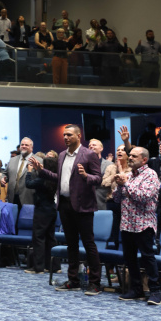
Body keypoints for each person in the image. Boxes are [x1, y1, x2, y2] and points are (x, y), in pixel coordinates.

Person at [30, 124, 102, 294]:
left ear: (78, 136)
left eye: (69, 134)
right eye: (64, 135)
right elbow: (59, 178)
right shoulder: (62, 155)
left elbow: (98, 178)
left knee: (89, 244)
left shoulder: (89, 154)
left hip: (83, 206)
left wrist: (86, 176)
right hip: (64, 204)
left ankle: (95, 283)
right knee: (71, 244)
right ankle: (73, 280)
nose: (65, 137)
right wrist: (42, 171)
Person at [114, 147, 161, 305]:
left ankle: (155, 291)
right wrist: (119, 185)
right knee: (130, 259)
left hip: (143, 224)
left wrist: (126, 184)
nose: (130, 158)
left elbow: (144, 196)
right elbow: (117, 199)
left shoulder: (151, 175)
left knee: (148, 258)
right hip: (127, 223)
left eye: (134, 156)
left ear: (144, 160)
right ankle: (136, 290)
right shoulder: (128, 175)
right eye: (130, 155)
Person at [24, 155, 58, 274]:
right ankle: (54, 266)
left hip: (41, 210)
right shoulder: (55, 179)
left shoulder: (41, 180)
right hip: (52, 209)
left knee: (38, 238)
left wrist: (29, 171)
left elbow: (28, 184)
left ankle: (38, 267)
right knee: (51, 238)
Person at [6, 137, 35, 207]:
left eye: (26, 145)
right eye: (22, 145)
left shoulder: (38, 160)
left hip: (29, 198)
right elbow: (6, 173)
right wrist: (3, 178)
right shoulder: (12, 160)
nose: (23, 146)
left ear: (32, 147)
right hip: (12, 198)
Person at [88, 138, 110, 211]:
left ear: (101, 148)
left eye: (94, 145)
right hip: (87, 203)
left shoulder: (109, 165)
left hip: (103, 201)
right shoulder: (84, 164)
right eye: (89, 146)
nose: (91, 146)